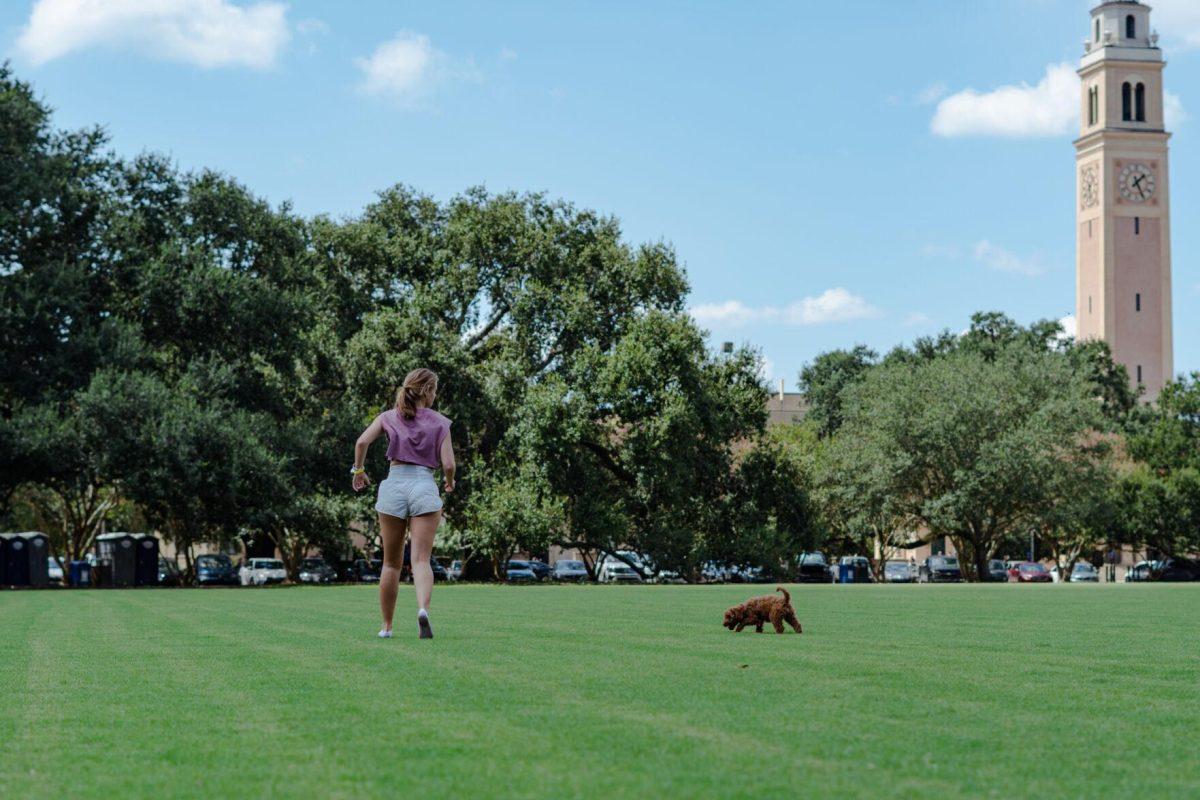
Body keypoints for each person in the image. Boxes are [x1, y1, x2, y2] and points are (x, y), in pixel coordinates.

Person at [351, 368, 455, 639]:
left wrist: (359, 471)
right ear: (428, 391)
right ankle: (422, 610)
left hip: (394, 485)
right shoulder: (440, 422)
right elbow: (449, 464)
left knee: (391, 564)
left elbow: (361, 442)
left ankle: (386, 627)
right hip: (423, 484)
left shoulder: (388, 417)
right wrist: (449, 481)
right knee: (421, 560)